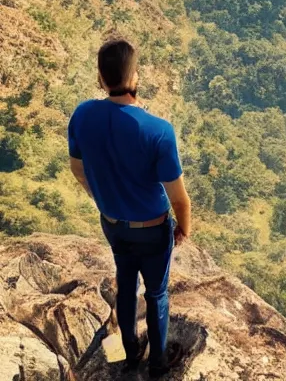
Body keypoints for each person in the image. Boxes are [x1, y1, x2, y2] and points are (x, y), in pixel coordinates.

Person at [68, 38, 192, 378]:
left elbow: (77, 168)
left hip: (113, 223)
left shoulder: (82, 115)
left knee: (126, 281)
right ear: (134, 77)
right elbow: (179, 198)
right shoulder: (158, 131)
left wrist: (101, 198)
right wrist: (183, 228)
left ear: (100, 78)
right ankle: (158, 364)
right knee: (156, 293)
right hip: (152, 229)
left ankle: (130, 353)